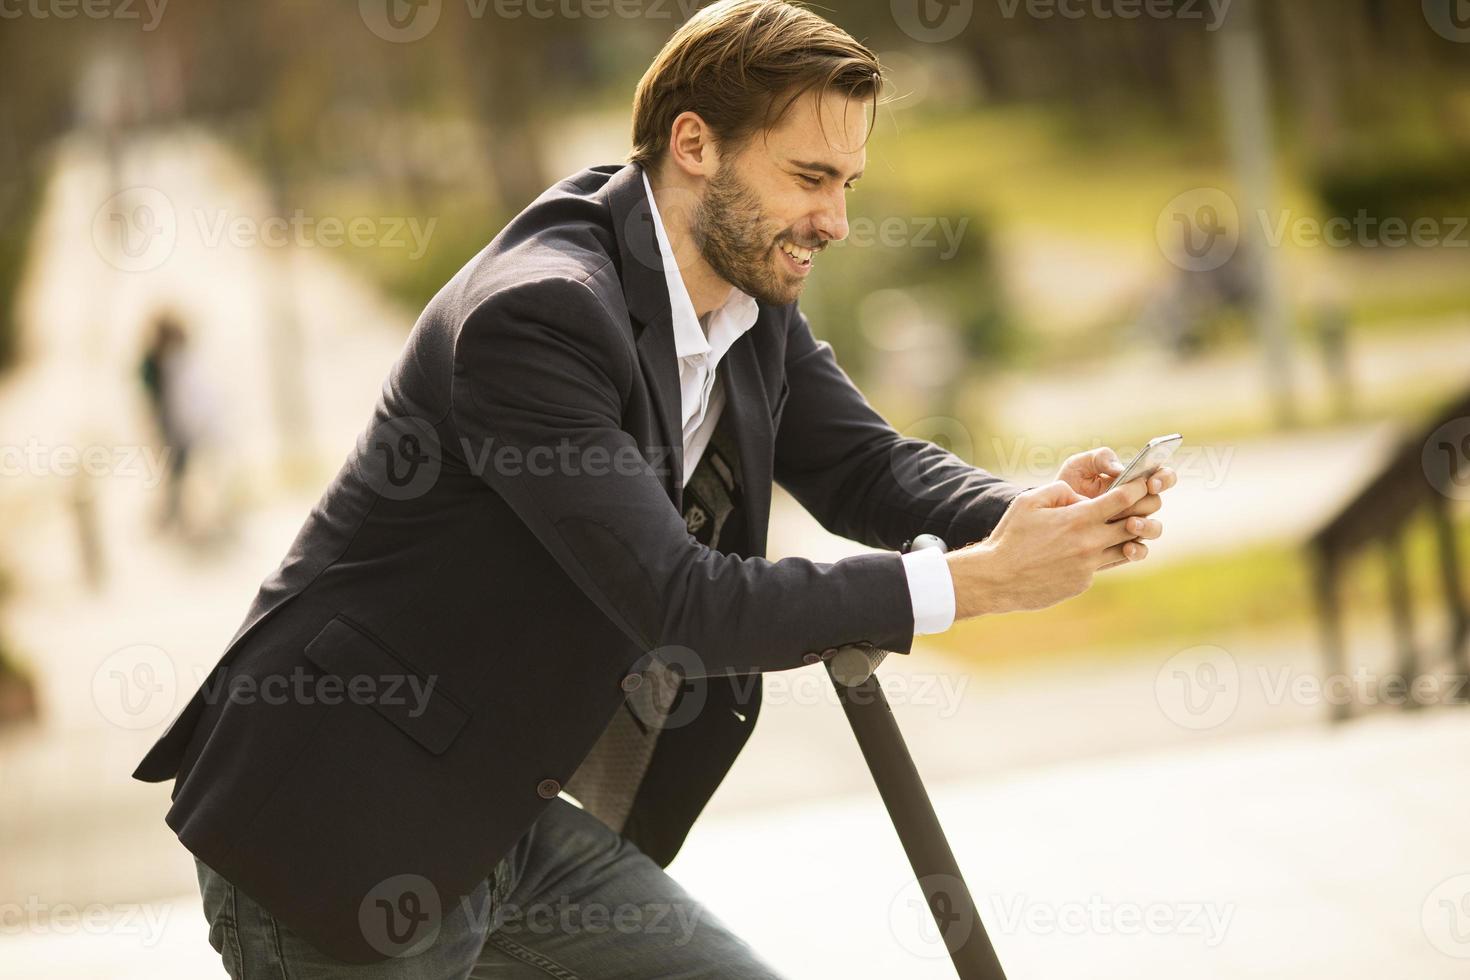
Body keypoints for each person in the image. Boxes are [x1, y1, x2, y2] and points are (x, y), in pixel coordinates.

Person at [132, 2, 1176, 976]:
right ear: (694, 145)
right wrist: (975, 583)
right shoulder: (538, 315)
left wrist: (1023, 513)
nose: (836, 220)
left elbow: (863, 462)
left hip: (501, 812)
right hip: (340, 816)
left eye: (848, 183)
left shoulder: (745, 297)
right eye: (811, 176)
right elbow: (680, 599)